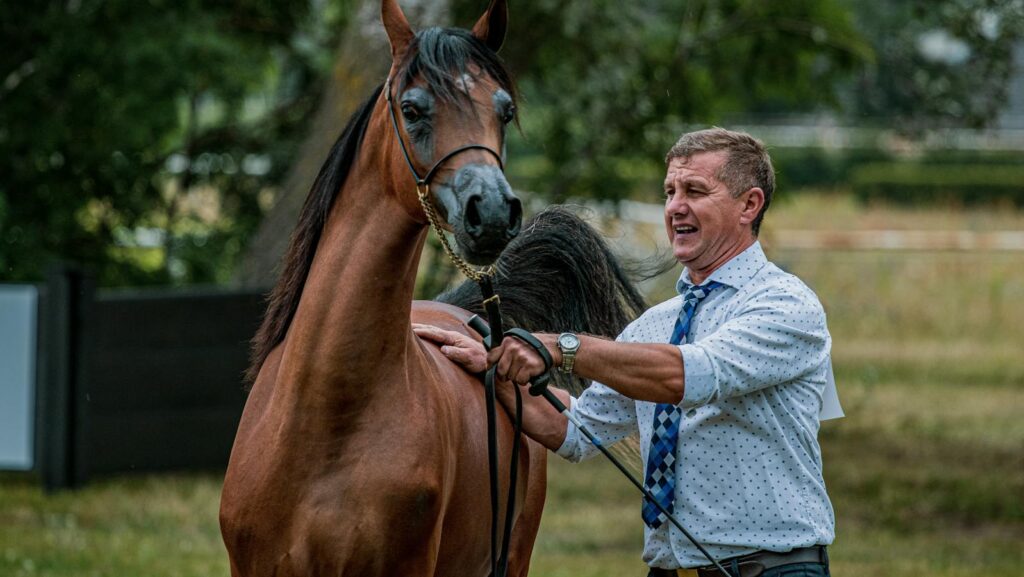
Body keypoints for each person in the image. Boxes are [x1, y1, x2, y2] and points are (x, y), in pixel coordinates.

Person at [415, 127, 837, 577]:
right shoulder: (654, 325)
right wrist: (496, 370)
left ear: (749, 205)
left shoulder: (784, 304)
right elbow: (574, 431)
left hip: (772, 570)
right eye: (670, 191)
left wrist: (560, 348)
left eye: (695, 190)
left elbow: (690, 376)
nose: (675, 207)